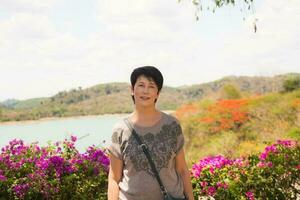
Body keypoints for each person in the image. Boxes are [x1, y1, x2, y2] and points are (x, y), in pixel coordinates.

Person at [107, 66, 194, 200]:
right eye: (141, 85)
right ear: (132, 89)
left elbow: (182, 169)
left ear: (157, 93)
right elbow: (114, 178)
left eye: (151, 86)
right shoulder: (120, 130)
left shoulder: (172, 125)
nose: (146, 91)